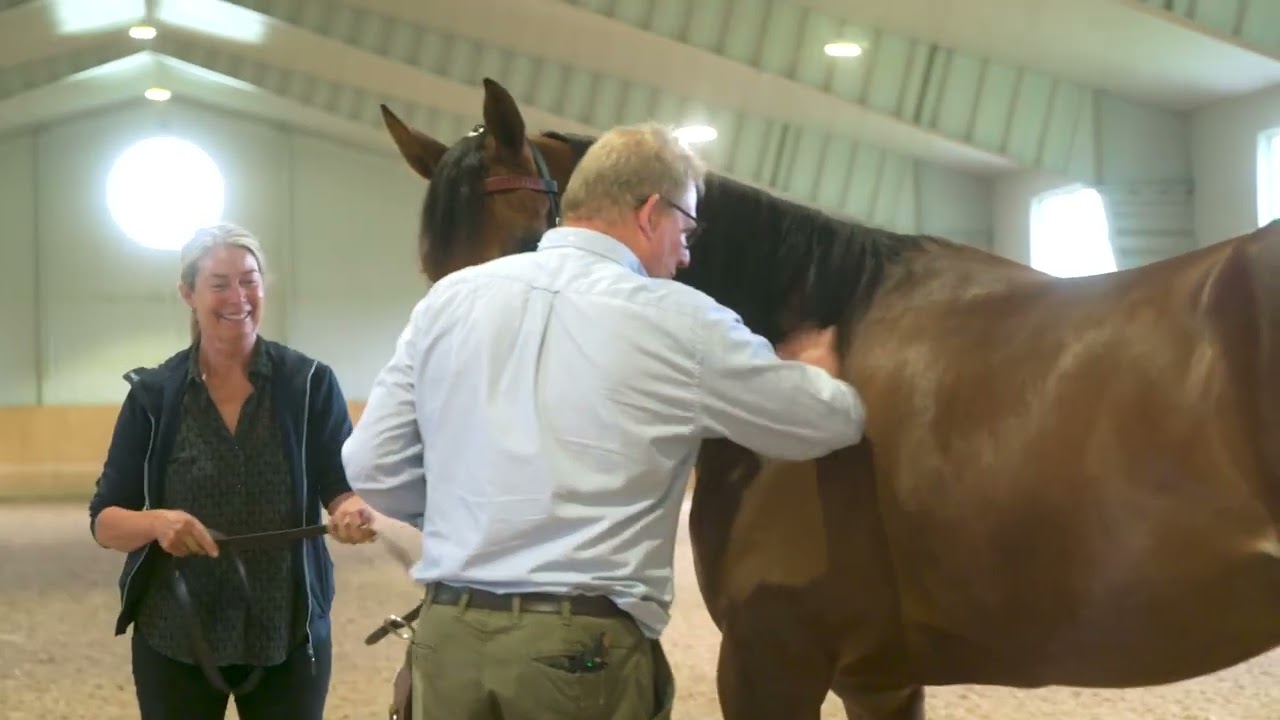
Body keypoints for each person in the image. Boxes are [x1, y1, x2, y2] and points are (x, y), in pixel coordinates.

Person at [341, 122, 866, 719]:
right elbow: (825, 424)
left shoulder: (447, 301)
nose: (687, 252)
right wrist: (819, 371)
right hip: (579, 651)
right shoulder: (680, 321)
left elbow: (370, 463)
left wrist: (475, 515)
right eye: (686, 229)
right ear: (650, 213)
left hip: (448, 641)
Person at [87, 223, 378, 720]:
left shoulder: (309, 383)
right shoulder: (152, 397)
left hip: (287, 633)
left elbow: (342, 486)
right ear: (189, 294)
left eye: (248, 279)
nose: (237, 296)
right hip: (176, 635)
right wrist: (157, 524)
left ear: (264, 286)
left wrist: (351, 509)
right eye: (219, 282)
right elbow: (105, 521)